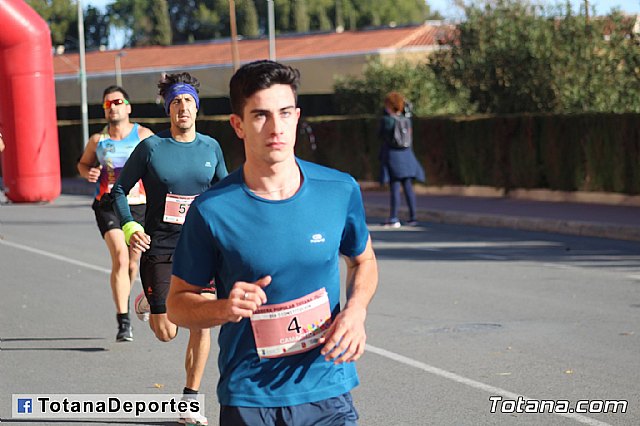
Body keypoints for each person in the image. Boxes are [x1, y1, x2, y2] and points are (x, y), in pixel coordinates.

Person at [167, 60, 379, 426]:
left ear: (297, 116)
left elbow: (364, 261)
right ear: (239, 125)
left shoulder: (339, 190)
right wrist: (225, 308)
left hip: (327, 391)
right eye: (261, 115)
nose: (276, 128)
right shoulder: (212, 210)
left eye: (284, 113)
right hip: (250, 397)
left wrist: (357, 310)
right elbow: (177, 306)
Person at [111, 72, 228, 426]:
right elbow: (118, 190)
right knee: (166, 332)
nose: (183, 108)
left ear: (197, 107)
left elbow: (225, 193)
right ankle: (147, 301)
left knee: (201, 321)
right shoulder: (151, 148)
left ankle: (188, 404)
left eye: (188, 101)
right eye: (175, 102)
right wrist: (130, 225)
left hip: (200, 247)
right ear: (168, 109)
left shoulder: (211, 147)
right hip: (158, 245)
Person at [77, 85, 154, 342]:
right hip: (108, 205)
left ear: (128, 107)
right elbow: (84, 163)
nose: (112, 107)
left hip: (139, 205)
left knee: (133, 263)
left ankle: (126, 294)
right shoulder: (99, 141)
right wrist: (87, 172)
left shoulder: (143, 135)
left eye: (117, 102)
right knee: (120, 258)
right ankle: (123, 321)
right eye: (107, 104)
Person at [378, 91, 425, 228]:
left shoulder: (387, 121)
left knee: (395, 187)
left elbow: (380, 135)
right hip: (407, 156)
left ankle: (393, 218)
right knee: (408, 187)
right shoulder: (407, 120)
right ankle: (413, 217)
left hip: (393, 156)